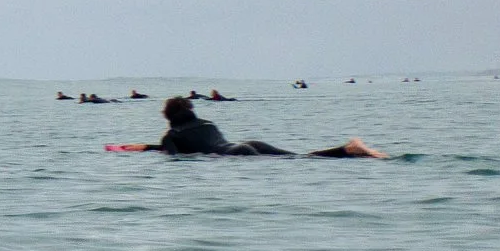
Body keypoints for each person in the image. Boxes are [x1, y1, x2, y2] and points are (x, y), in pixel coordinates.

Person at [151, 95, 387, 158]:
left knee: (301, 161)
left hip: (236, 155)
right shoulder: (208, 123)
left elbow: (173, 155)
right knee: (300, 158)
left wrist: (150, 148)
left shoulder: (171, 135)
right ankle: (349, 150)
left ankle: (349, 150)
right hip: (248, 144)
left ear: (168, 116)